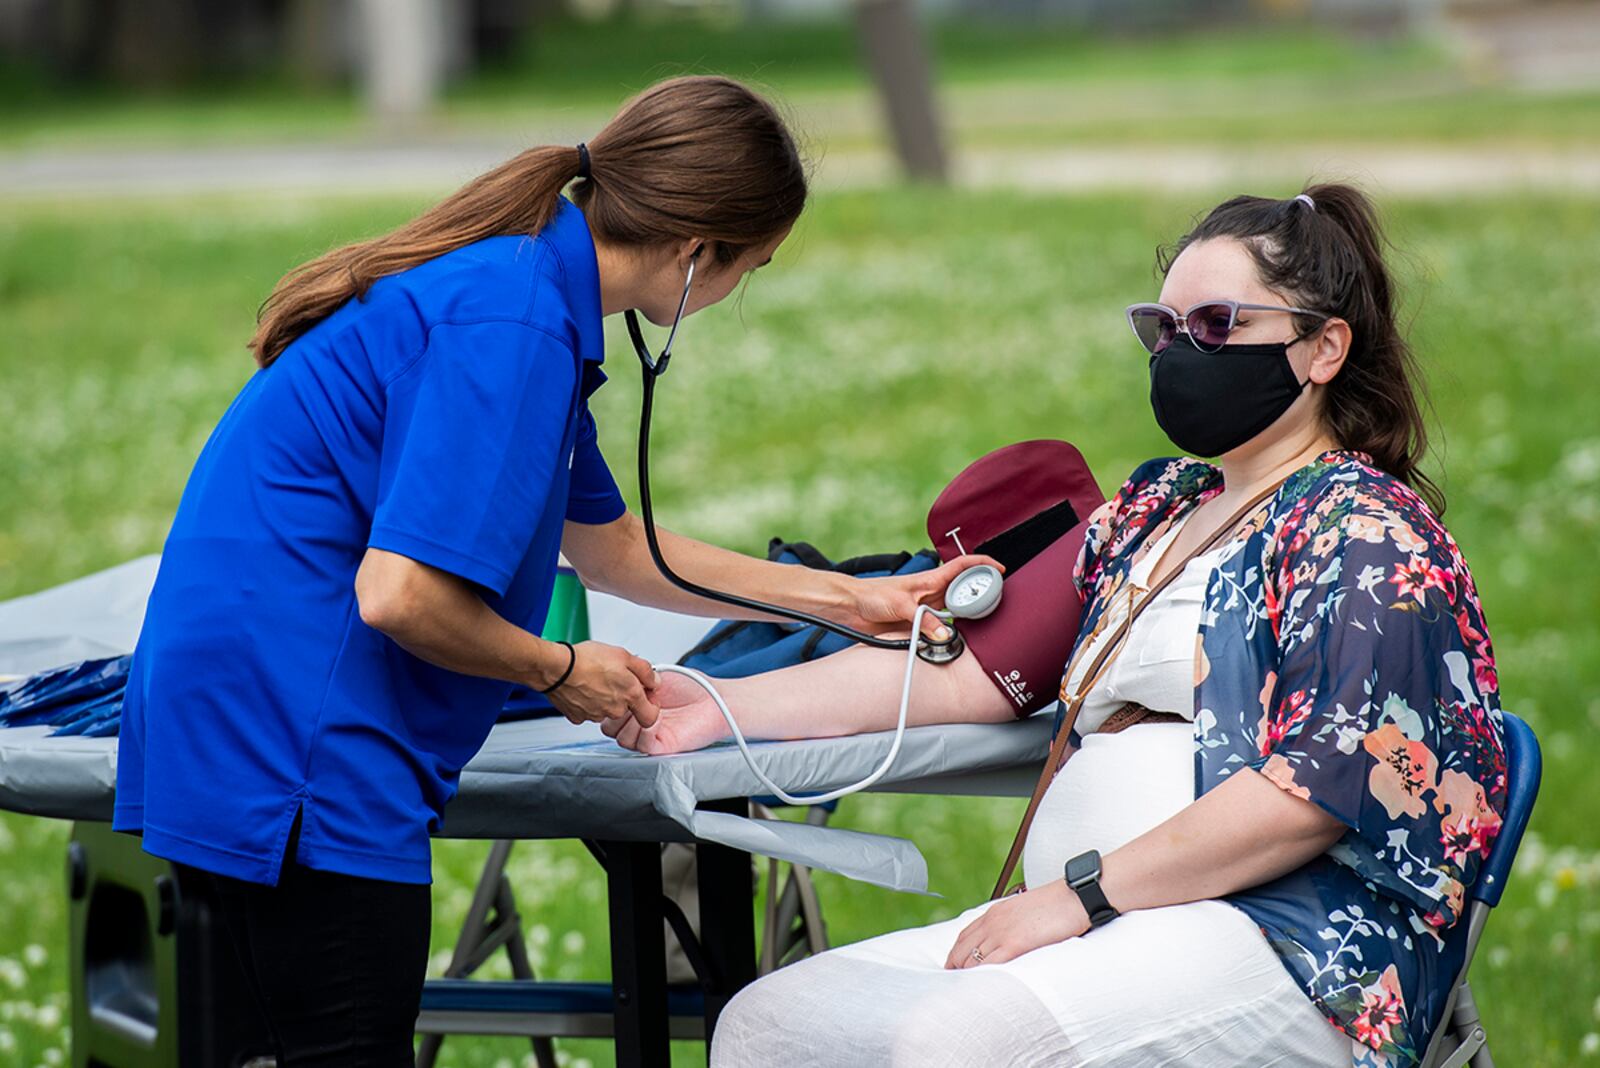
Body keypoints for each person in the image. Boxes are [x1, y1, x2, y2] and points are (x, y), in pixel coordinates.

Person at [109, 75, 995, 1066]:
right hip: (296, 747)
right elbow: (401, 594)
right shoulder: (516, 323)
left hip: (236, 716)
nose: (745, 287)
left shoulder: (525, 290)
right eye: (756, 264)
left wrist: (854, 599)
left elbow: (614, 548)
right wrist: (558, 669)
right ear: (698, 253)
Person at [615, 183, 1510, 1067]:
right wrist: (722, 701)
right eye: (1164, 328)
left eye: (1216, 326)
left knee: (956, 1041)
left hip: (1296, 941)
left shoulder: (1369, 533)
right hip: (1101, 927)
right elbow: (965, 674)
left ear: (1323, 350)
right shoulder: (1154, 511)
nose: (1180, 352)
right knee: (771, 1023)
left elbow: (1314, 793)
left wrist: (1078, 899)